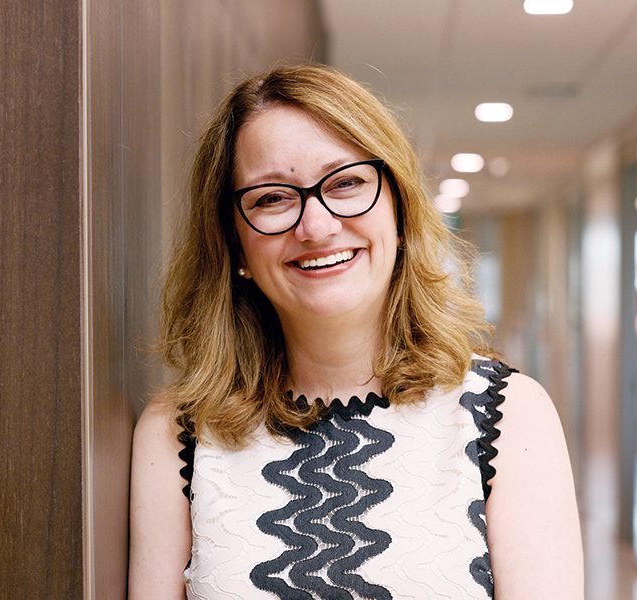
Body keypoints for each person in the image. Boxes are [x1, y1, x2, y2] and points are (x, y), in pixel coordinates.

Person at [128, 64, 583, 600]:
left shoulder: (508, 414)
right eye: (271, 197)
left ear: (399, 206)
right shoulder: (177, 433)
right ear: (234, 242)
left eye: (345, 183)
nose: (315, 227)